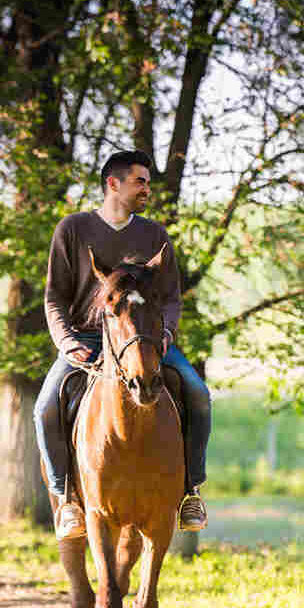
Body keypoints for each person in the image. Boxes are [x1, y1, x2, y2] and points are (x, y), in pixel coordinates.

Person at [34, 149, 211, 540]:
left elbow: (171, 299)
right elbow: (54, 298)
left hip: (145, 340)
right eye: (140, 181)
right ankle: (67, 500)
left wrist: (165, 333)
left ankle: (190, 491)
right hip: (85, 339)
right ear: (113, 184)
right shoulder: (72, 230)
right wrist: (65, 342)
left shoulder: (155, 235)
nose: (147, 188)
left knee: (198, 394)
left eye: (147, 182)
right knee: (45, 407)